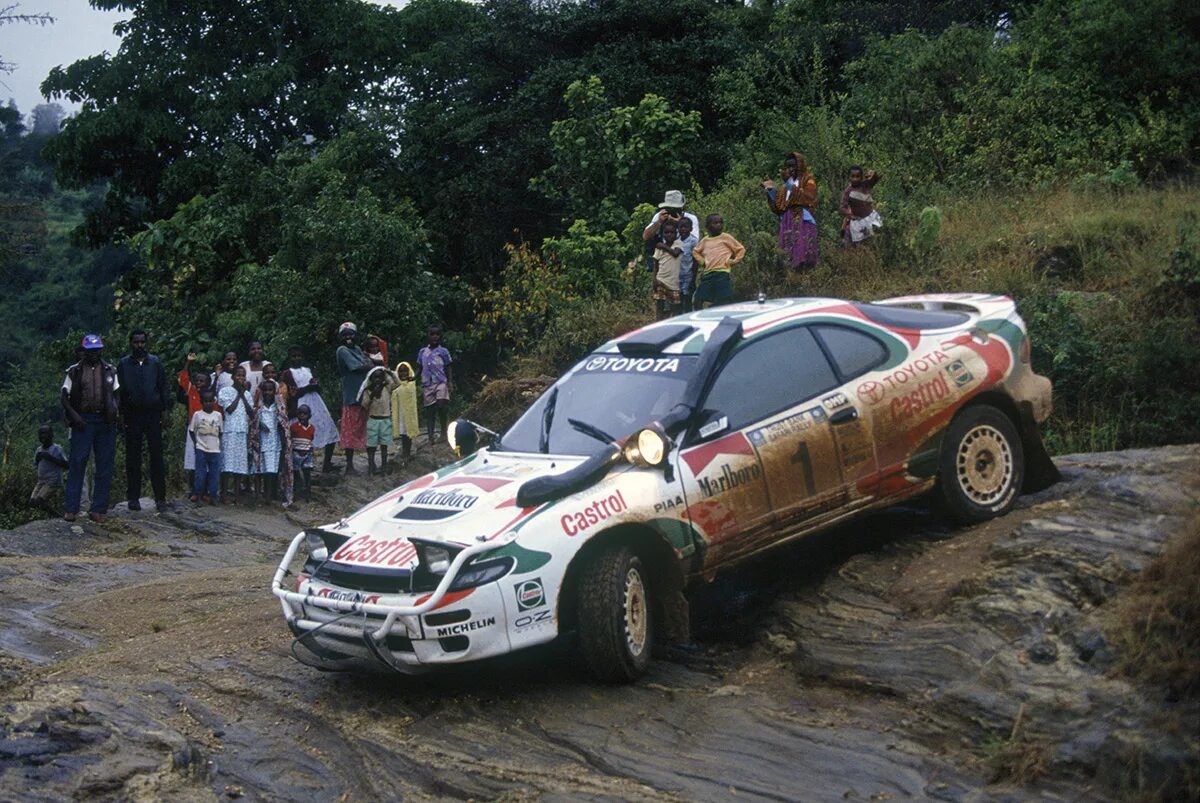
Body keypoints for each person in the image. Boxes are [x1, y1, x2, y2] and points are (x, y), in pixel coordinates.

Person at [61, 334, 121, 522]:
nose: (93, 354)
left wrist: (115, 411)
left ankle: (98, 509)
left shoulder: (110, 370)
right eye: (90, 350)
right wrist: (75, 417)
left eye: (97, 350)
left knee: (104, 465)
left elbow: (117, 393)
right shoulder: (74, 371)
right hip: (83, 420)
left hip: (105, 421)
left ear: (101, 350)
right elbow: (64, 396)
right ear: (84, 351)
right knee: (78, 463)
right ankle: (71, 509)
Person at [116, 329, 169, 511]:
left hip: (153, 414)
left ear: (146, 343)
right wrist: (121, 415)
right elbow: (120, 392)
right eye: (136, 342)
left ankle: (160, 498)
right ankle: (133, 498)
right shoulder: (123, 364)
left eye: (142, 342)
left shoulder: (154, 362)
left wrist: (164, 411)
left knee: (156, 457)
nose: (139, 345)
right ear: (130, 343)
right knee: (133, 458)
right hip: (132, 415)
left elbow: (163, 387)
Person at [279, 345, 339, 472]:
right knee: (300, 435)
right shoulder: (287, 373)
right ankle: (299, 465)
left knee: (329, 428)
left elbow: (317, 386)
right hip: (300, 405)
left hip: (316, 403)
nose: (297, 358)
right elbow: (291, 393)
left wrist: (315, 385)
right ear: (289, 358)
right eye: (294, 356)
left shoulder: (308, 369)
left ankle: (327, 463)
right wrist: (308, 388)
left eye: (299, 356)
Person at [761, 152, 819, 271]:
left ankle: (807, 277)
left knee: (804, 250)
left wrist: (789, 183)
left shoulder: (808, 180)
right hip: (787, 223)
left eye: (794, 166)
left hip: (803, 220)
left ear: (800, 165)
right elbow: (779, 207)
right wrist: (770, 190)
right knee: (788, 254)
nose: (791, 169)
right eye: (788, 167)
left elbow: (808, 198)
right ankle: (792, 280)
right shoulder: (784, 188)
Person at [335, 322, 372, 473]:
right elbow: (357, 366)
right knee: (349, 430)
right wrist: (373, 366)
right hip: (351, 395)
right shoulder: (342, 350)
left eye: (351, 334)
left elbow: (366, 361)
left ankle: (371, 463)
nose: (348, 337)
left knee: (368, 428)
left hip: (364, 393)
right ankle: (349, 465)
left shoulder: (356, 349)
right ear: (340, 337)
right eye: (345, 335)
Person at [249, 379, 293, 506]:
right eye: (265, 390)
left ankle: (269, 496)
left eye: (270, 390)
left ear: (275, 391)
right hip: (260, 441)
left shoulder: (279, 406)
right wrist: (259, 425)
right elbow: (252, 421)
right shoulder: (259, 406)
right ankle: (257, 495)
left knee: (271, 470)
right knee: (258, 469)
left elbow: (284, 423)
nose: (268, 392)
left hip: (274, 442)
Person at [691, 213, 746, 309]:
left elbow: (740, 249)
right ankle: (701, 319)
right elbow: (695, 252)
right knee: (698, 299)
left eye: (720, 222)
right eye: (715, 223)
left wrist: (734, 261)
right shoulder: (705, 241)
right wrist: (702, 262)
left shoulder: (726, 237)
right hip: (708, 274)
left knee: (723, 299)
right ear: (708, 226)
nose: (718, 225)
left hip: (722, 273)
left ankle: (716, 315)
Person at [218, 365, 253, 504]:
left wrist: (244, 394)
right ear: (233, 377)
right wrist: (239, 393)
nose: (241, 378)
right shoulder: (225, 391)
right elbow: (230, 409)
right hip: (229, 430)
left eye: (243, 376)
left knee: (240, 463)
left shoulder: (248, 394)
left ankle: (237, 495)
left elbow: (251, 412)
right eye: (238, 375)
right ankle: (224, 494)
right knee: (227, 463)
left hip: (242, 431)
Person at [642, 190, 701, 271]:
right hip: (664, 258)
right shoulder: (660, 216)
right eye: (670, 208)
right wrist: (659, 222)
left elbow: (694, 243)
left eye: (675, 208)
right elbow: (646, 236)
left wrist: (680, 224)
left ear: (681, 207)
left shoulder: (690, 218)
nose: (673, 211)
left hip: (684, 257)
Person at [358, 365, 399, 474]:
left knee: (384, 446)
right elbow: (364, 405)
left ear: (383, 378)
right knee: (371, 446)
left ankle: (383, 467)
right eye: (375, 377)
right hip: (373, 420)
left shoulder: (387, 388)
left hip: (385, 419)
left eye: (380, 377)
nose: (377, 380)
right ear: (371, 379)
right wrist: (372, 395)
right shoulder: (368, 391)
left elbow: (397, 382)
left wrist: (389, 372)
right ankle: (371, 467)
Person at [177, 354, 211, 485]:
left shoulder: (209, 396)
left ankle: (205, 489)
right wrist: (188, 362)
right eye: (197, 380)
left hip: (208, 431)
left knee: (207, 460)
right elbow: (182, 379)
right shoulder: (192, 392)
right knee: (192, 460)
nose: (199, 383)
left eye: (202, 381)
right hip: (193, 430)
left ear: (208, 383)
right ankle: (193, 489)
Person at [417, 325, 453, 443]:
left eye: (437, 334)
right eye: (432, 334)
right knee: (430, 411)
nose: (435, 337)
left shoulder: (443, 351)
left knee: (441, 405)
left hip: (441, 382)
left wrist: (450, 382)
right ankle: (431, 437)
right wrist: (413, 377)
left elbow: (448, 367)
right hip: (427, 384)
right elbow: (419, 367)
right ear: (428, 336)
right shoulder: (423, 352)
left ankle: (443, 432)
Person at [188, 389, 223, 504]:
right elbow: (192, 430)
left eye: (210, 401)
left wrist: (218, 443)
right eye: (206, 401)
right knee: (200, 473)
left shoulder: (218, 415)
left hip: (215, 449)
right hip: (201, 448)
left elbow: (220, 432)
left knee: (214, 474)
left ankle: (212, 496)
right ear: (201, 402)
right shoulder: (197, 415)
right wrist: (196, 443)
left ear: (214, 401)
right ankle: (197, 494)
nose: (208, 403)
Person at [839, 165, 883, 244]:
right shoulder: (848, 191)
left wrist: (873, 173)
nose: (855, 179)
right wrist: (851, 215)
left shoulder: (865, 184)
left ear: (861, 177)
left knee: (877, 240)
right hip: (858, 221)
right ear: (849, 177)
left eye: (858, 176)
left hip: (871, 217)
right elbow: (842, 207)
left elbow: (875, 179)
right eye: (853, 176)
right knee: (861, 244)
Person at [31, 424, 67, 513]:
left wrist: (50, 458)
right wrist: (38, 458)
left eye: (46, 433)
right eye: (41, 434)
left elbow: (67, 465)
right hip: (41, 481)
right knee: (32, 502)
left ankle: (56, 517)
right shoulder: (38, 449)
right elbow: (36, 463)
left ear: (51, 435)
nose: (43, 436)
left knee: (39, 500)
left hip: (53, 481)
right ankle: (54, 515)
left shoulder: (57, 448)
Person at [652, 220, 683, 320]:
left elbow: (675, 253)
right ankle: (658, 324)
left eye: (672, 232)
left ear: (676, 233)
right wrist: (654, 279)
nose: (669, 235)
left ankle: (674, 325)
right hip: (661, 280)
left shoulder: (678, 243)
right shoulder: (658, 248)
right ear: (662, 234)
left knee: (675, 307)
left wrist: (663, 246)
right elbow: (656, 264)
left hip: (674, 283)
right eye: (666, 232)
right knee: (659, 305)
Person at [391, 362, 419, 463]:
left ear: (409, 371)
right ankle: (404, 451)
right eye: (400, 371)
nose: (403, 373)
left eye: (405, 371)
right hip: (400, 413)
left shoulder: (411, 384)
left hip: (409, 413)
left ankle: (408, 452)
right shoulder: (395, 385)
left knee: (408, 432)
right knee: (403, 433)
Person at [290, 405, 316, 503]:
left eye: (305, 414)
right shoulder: (293, 427)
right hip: (296, 453)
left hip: (307, 454)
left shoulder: (312, 428)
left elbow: (311, 439)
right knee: (296, 475)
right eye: (300, 413)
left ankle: (308, 495)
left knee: (307, 474)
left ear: (309, 415)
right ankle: (295, 494)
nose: (302, 416)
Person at [677, 216, 699, 313]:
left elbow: (695, 260)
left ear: (691, 228)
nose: (683, 229)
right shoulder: (676, 240)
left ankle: (689, 317)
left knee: (688, 299)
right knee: (679, 300)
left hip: (688, 275)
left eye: (686, 227)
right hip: (677, 276)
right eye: (681, 227)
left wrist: (693, 278)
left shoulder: (693, 241)